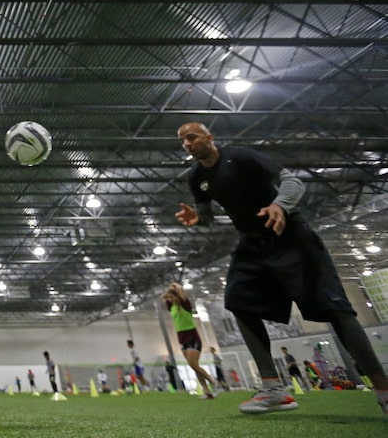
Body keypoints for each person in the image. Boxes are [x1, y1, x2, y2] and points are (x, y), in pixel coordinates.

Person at [175, 122, 388, 415]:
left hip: (290, 235)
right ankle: (273, 389)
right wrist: (197, 219)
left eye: (191, 137)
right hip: (252, 242)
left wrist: (280, 205)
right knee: (238, 301)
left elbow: (292, 183)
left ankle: (383, 390)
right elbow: (207, 217)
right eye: (182, 140)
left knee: (334, 308)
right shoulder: (196, 176)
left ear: (208, 138)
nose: (186, 143)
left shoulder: (240, 157)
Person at [161, 284, 219, 399]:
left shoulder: (185, 304)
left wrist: (177, 287)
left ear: (177, 296)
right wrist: (168, 291)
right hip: (182, 338)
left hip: (192, 336)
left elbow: (182, 293)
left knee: (193, 364)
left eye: (172, 297)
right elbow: (163, 297)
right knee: (193, 366)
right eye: (169, 298)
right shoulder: (171, 307)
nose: (170, 300)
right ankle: (207, 391)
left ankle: (212, 381)